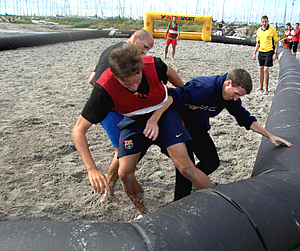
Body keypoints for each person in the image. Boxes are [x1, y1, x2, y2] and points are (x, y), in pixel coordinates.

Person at [72, 44, 212, 215]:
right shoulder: (104, 88)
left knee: (185, 167)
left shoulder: (154, 65)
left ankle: (216, 203)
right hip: (134, 119)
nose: (135, 88)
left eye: (137, 81)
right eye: (127, 85)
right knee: (125, 173)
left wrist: (183, 93)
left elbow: (171, 72)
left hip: (164, 114)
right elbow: (78, 130)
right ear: (115, 76)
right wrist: (91, 169)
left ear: (140, 69)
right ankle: (144, 213)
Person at [160, 69, 292, 200]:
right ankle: (178, 201)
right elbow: (174, 95)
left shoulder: (230, 98)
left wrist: (269, 135)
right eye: (235, 94)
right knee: (186, 167)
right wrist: (156, 119)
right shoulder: (204, 87)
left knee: (211, 162)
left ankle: (195, 179)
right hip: (179, 127)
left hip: (198, 128)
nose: (236, 98)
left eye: (239, 96)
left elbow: (245, 118)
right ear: (228, 83)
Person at [87, 30, 154, 203]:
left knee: (124, 152)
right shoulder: (124, 57)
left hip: (106, 107)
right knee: (121, 153)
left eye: (148, 50)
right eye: (145, 47)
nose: (146, 52)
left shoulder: (112, 49)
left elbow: (92, 79)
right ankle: (108, 191)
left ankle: (111, 187)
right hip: (109, 110)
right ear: (135, 38)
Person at [252, 15, 280, 95]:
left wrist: (275, 53)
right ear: (261, 22)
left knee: (266, 69)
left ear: (268, 22)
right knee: (261, 69)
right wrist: (254, 53)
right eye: (263, 22)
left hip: (269, 51)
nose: (264, 23)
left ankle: (266, 89)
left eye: (265, 22)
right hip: (261, 51)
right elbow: (258, 42)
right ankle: (261, 87)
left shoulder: (272, 30)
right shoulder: (259, 30)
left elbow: (276, 42)